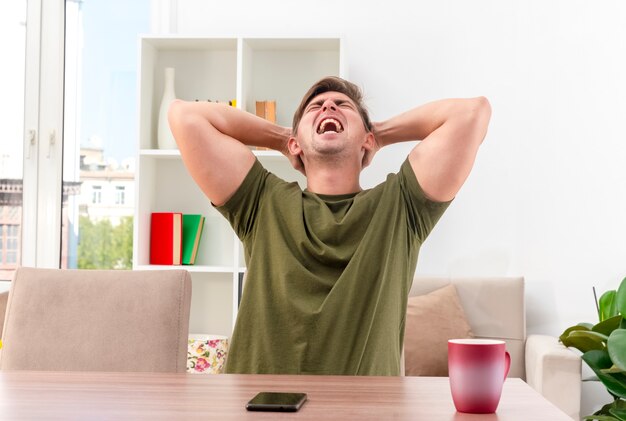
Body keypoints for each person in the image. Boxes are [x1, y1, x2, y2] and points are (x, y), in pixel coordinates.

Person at [168, 76, 491, 376]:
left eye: (342, 105)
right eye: (315, 108)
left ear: (367, 140)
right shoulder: (260, 199)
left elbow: (471, 113)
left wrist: (378, 134)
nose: (328, 107)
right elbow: (184, 116)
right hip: (258, 405)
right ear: (296, 145)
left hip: (364, 411)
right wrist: (284, 138)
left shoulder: (402, 205)